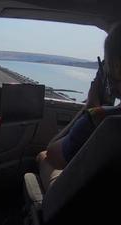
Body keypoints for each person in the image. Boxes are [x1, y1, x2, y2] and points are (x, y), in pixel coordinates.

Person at [36, 22, 121, 191]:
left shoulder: (100, 118)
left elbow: (52, 152)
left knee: (41, 156)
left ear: (115, 67)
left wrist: (89, 108)